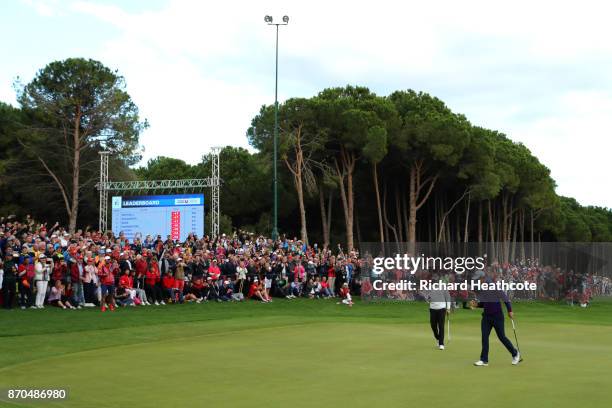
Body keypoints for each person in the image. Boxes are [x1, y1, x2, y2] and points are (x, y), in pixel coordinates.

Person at [471, 284, 522, 366]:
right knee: (484, 337)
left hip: (497, 317)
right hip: (486, 318)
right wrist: (477, 305)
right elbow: (485, 304)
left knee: (502, 337)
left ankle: (515, 353)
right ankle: (484, 360)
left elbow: (506, 300)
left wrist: (510, 310)